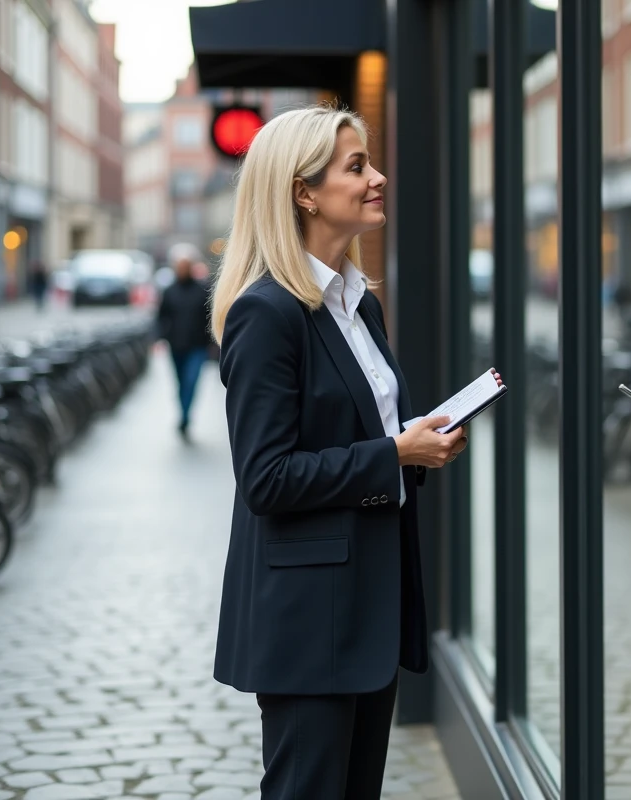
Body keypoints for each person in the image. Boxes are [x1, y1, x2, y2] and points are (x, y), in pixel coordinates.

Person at [209, 104, 500, 799]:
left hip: (366, 604)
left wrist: (416, 443)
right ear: (303, 192)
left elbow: (356, 435)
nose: (379, 177)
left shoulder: (357, 303)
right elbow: (266, 479)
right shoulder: (267, 312)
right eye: (357, 166)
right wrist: (396, 453)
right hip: (308, 620)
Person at [156, 247, 212, 439]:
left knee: (191, 381)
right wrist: (160, 336)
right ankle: (183, 413)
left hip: (197, 346)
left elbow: (210, 318)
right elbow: (161, 316)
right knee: (180, 383)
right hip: (176, 345)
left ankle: (185, 416)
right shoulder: (170, 291)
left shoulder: (202, 291)